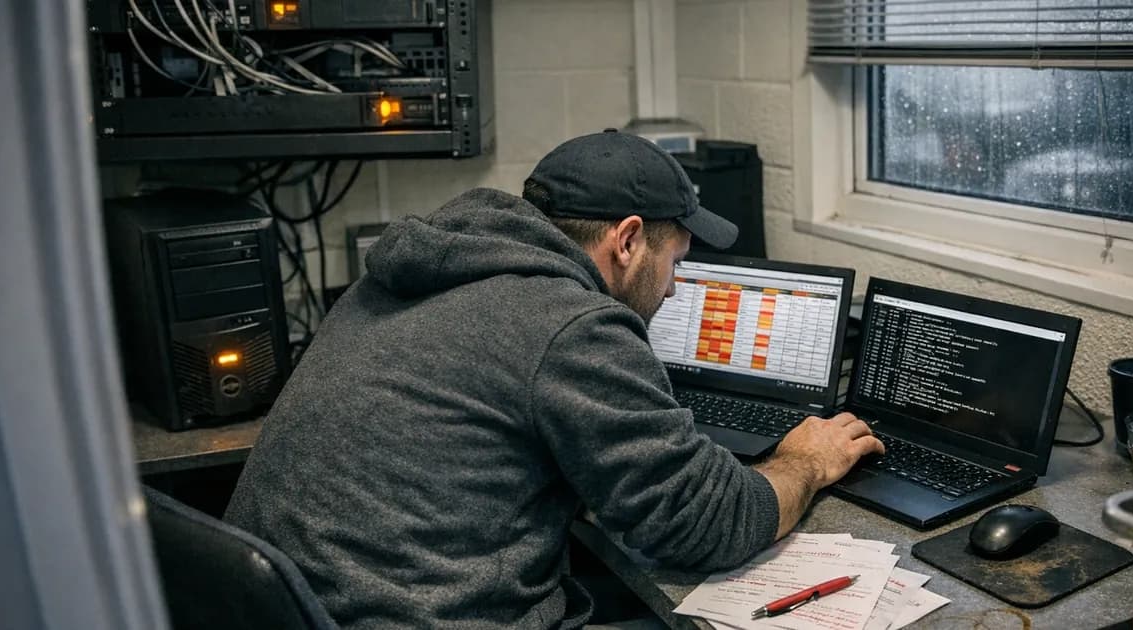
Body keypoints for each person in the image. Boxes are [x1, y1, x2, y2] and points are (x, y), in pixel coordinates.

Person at [224, 129, 884, 629]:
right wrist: (807, 459)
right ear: (628, 241)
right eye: (676, 261)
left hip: (292, 605)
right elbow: (706, 523)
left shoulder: (417, 270)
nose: (674, 287)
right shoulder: (570, 324)